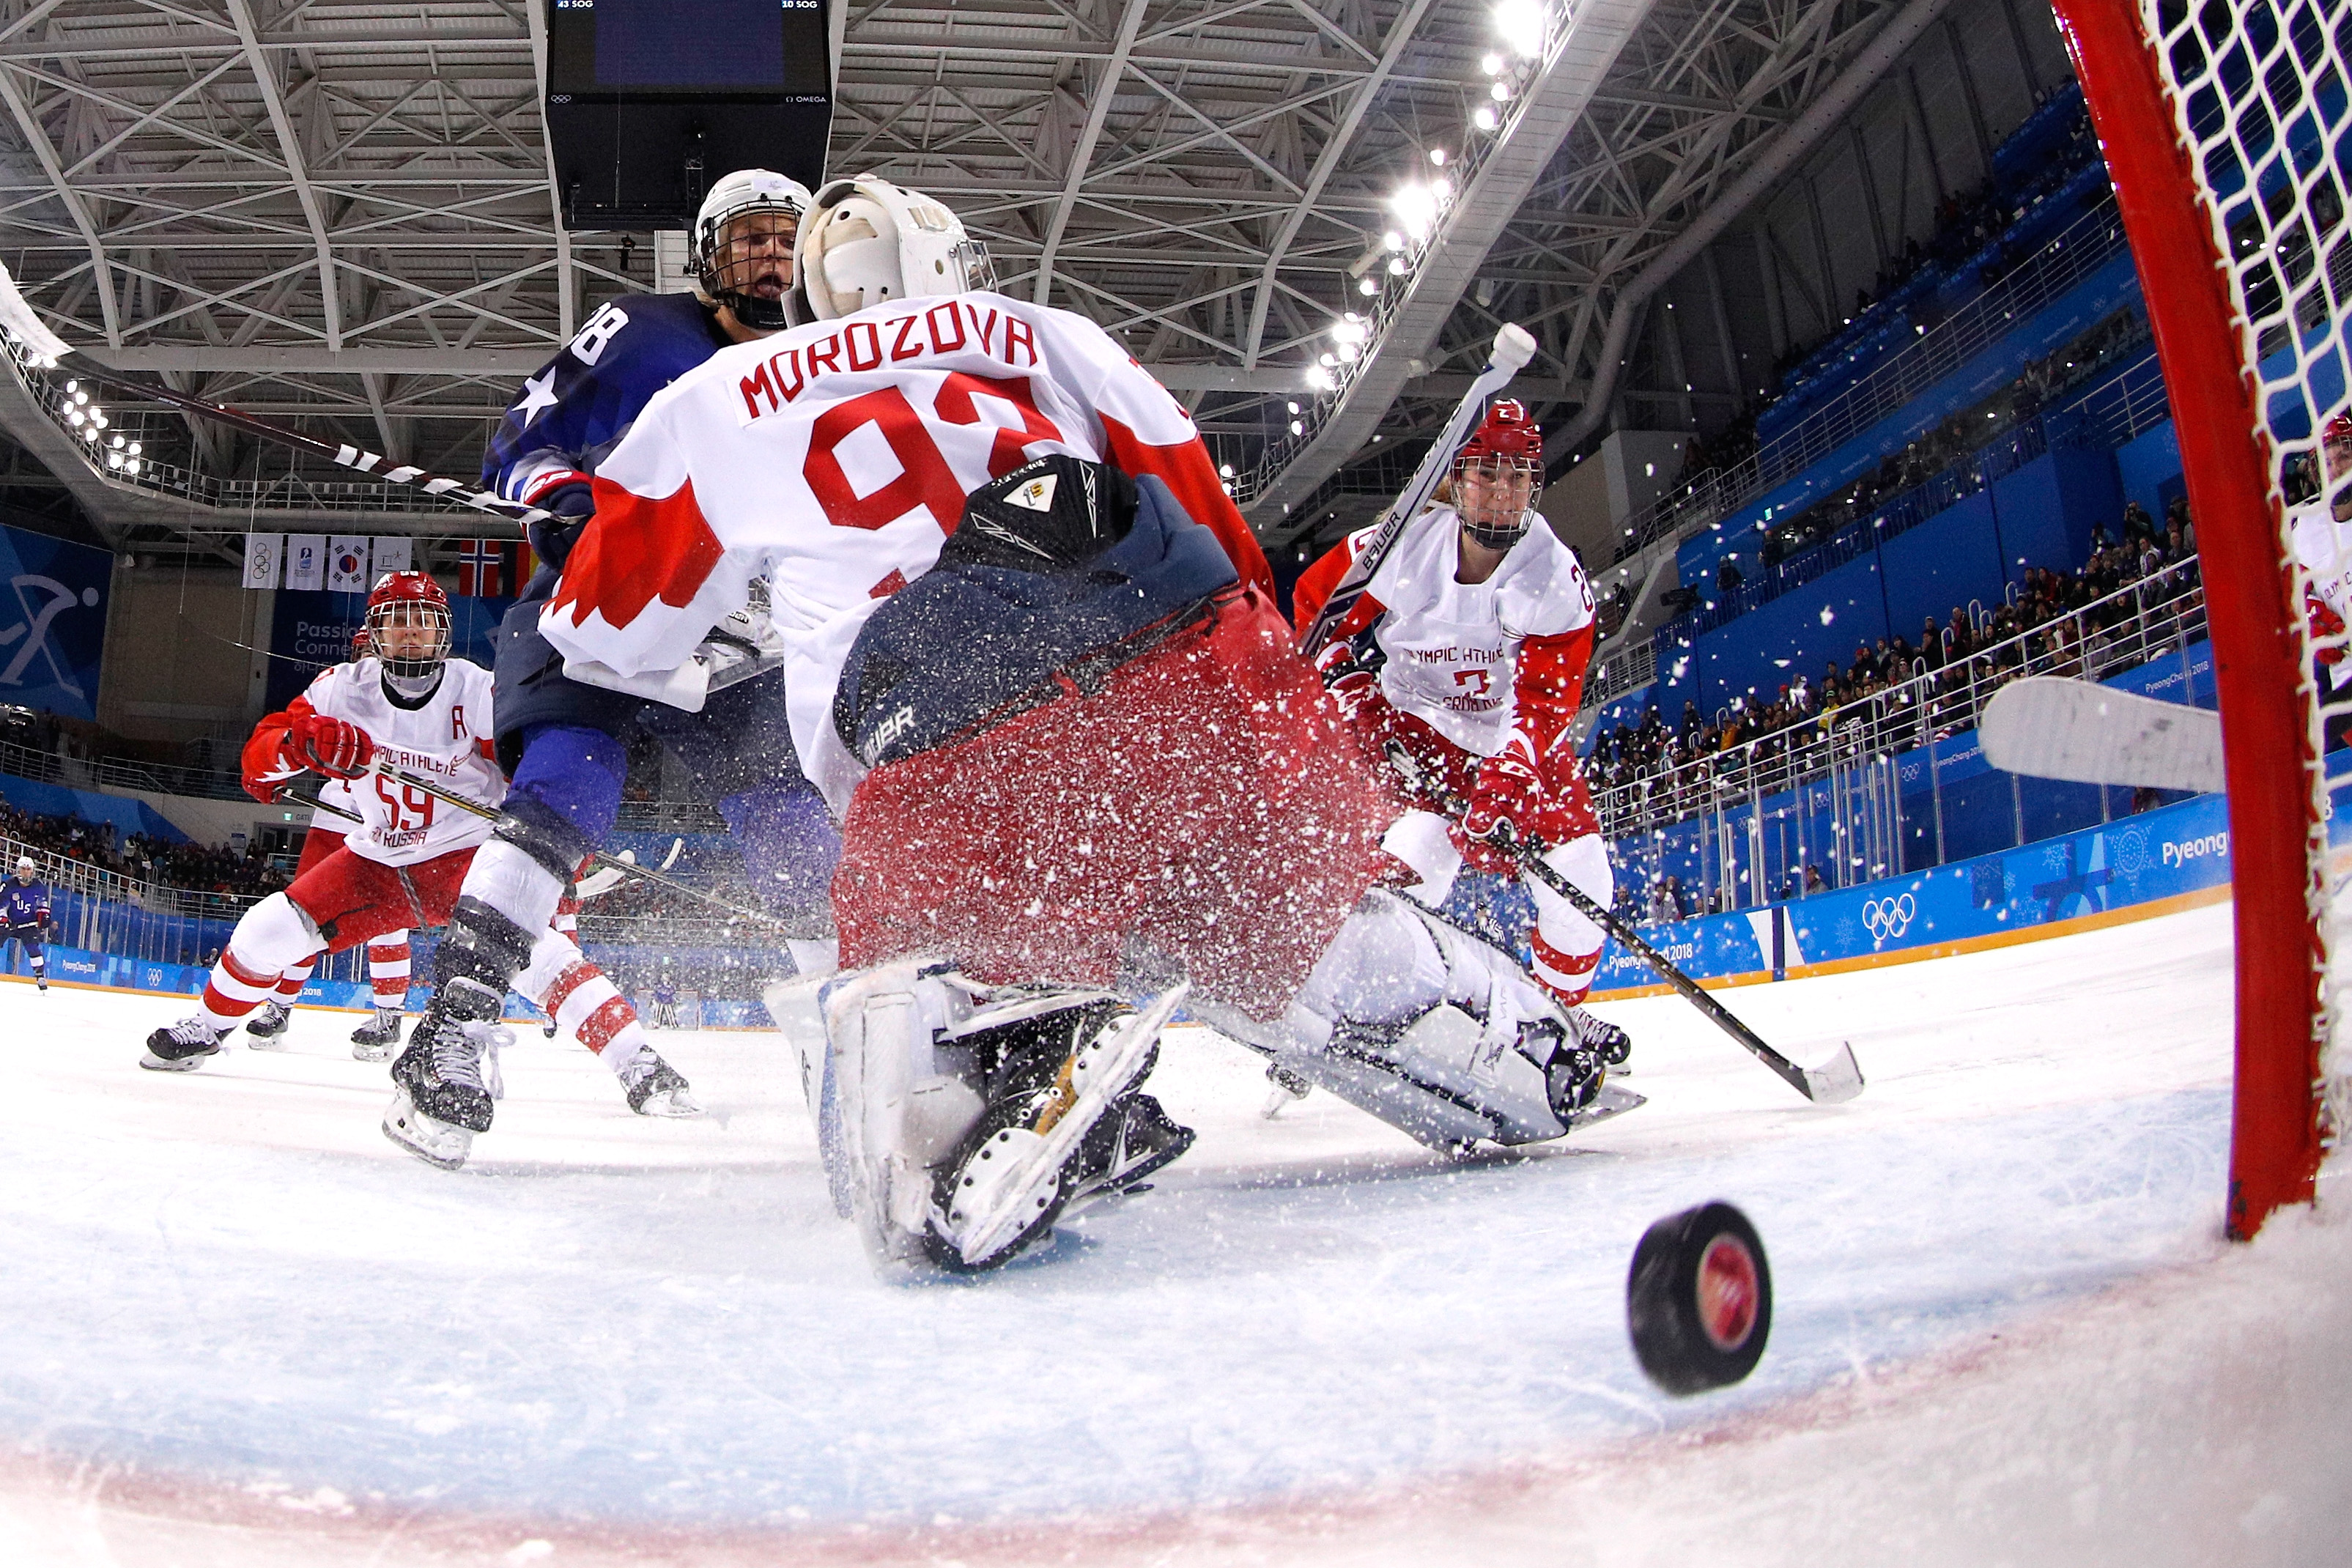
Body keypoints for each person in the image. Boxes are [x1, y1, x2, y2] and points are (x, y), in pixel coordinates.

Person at [420, 177, 1614, 1273]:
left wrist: (703, 595)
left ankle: (1014, 1054)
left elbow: (603, 630)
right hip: (1185, 652)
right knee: (1284, 932)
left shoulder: (717, 398)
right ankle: (1530, 1047)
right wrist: (1261, 678)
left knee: (886, 1151)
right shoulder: (1043, 333)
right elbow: (1197, 493)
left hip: (949, 734)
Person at [136, 573, 700, 1164]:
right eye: (397, 623)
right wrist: (301, 745)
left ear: (444, 632)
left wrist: (543, 846)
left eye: (424, 623)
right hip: (376, 860)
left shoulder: (476, 688)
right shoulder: (339, 688)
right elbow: (258, 769)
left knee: (544, 959)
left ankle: (640, 1064)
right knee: (268, 927)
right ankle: (207, 1027)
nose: (411, 636)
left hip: (465, 858)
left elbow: (526, 769)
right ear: (374, 633)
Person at [479, 166, 841, 950]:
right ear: (709, 255)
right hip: (615, 597)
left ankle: (853, 1041)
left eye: (787, 242)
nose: (773, 259)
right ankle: (457, 1021)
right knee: (568, 782)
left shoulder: (837, 361)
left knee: (798, 836)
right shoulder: (641, 332)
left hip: (749, 637)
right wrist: (568, 507)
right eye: (752, 240)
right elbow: (520, 444)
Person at [1290, 401, 1630, 1049]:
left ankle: (1551, 1020)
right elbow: (1315, 612)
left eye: (1518, 477)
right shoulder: (1399, 546)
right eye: (1488, 474)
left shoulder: (1555, 576)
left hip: (1513, 744)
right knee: (1403, 878)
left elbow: (1547, 699)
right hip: (1412, 732)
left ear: (1535, 485)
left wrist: (1512, 770)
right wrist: (1349, 689)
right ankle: (1346, 1007)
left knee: (1585, 885)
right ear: (1458, 478)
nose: (1503, 492)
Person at [0, 854, 49, 991]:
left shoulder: (39, 886)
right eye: (24, 869)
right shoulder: (8, 885)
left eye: (29, 869)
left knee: (33, 947)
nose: (26, 872)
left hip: (29, 924)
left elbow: (43, 903)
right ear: (18, 869)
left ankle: (40, 976)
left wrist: (44, 915)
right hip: (10, 922)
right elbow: (1, 905)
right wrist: (3, 920)